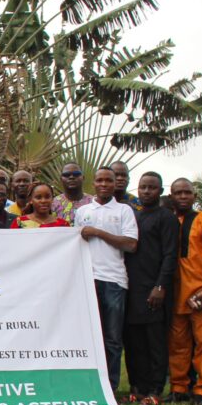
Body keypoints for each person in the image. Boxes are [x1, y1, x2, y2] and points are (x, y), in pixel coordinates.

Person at [75, 167, 138, 392]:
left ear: (115, 183)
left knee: (112, 339)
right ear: (93, 183)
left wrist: (99, 232)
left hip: (114, 280)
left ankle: (110, 388)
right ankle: (92, 386)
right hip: (87, 279)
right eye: (100, 180)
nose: (104, 184)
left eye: (108, 180)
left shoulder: (124, 211)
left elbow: (131, 244)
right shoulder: (82, 211)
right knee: (90, 337)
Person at [122, 172, 178, 405]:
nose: (146, 191)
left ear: (160, 191)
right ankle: (137, 387)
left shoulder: (166, 218)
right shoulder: (132, 216)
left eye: (152, 188)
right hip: (131, 288)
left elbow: (170, 255)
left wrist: (160, 286)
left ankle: (155, 389)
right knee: (134, 342)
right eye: (143, 187)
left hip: (154, 289)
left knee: (154, 342)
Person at [166, 178, 202, 405]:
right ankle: (179, 387)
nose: (182, 197)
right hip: (176, 293)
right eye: (177, 193)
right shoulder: (168, 221)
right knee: (178, 344)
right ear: (171, 196)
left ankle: (201, 390)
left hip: (200, 292)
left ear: (194, 195)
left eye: (187, 192)